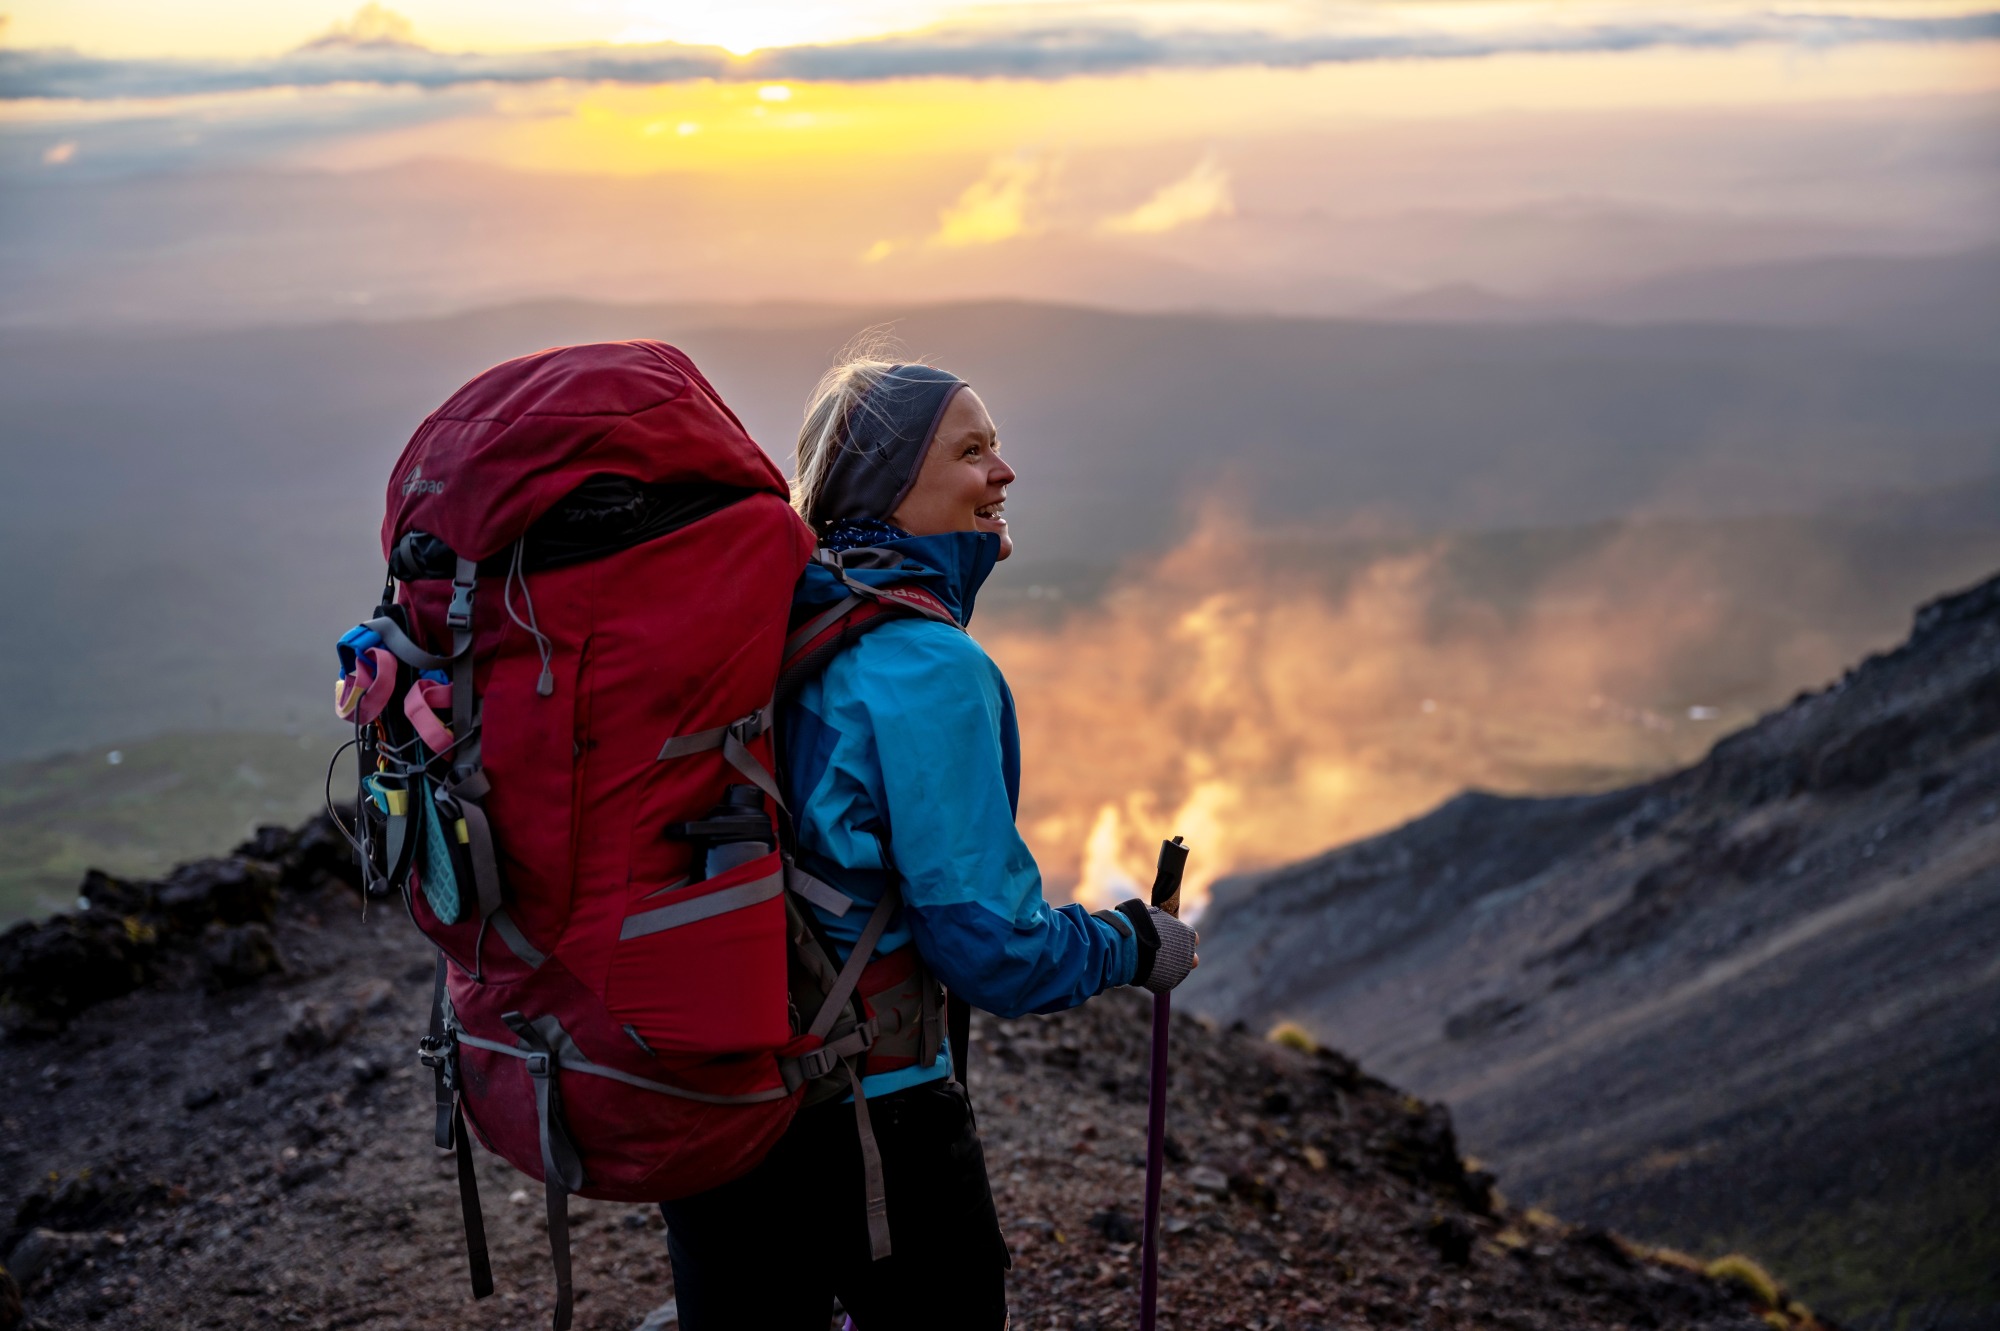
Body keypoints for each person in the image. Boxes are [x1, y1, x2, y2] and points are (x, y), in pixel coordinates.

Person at [657, 356, 1201, 1330]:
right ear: (890, 482)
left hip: (710, 1098)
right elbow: (991, 946)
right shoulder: (923, 663)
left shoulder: (764, 625)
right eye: (971, 448)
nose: (1003, 472)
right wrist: (1134, 942)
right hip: (871, 1117)